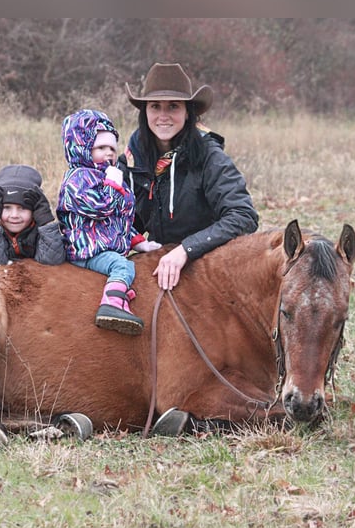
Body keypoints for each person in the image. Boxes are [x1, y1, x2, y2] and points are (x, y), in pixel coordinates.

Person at [121, 62, 259, 291]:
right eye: (155, 106)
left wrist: (186, 249)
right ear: (145, 112)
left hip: (207, 261)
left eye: (173, 106)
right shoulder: (133, 157)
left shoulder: (209, 156)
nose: (163, 116)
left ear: (187, 113)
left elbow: (243, 215)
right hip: (157, 261)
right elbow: (125, 217)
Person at [56, 109, 162, 335]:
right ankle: (111, 305)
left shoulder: (108, 177)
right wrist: (113, 186)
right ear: (82, 148)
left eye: (112, 148)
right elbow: (100, 209)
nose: (108, 154)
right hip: (88, 251)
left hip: (106, 247)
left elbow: (119, 219)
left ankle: (121, 293)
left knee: (135, 266)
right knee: (122, 266)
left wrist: (138, 242)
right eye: (100, 147)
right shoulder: (79, 178)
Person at [0, 164, 65, 265]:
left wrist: (45, 222)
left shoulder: (42, 232)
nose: (14, 215)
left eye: (23, 208)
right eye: (7, 207)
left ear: (34, 209)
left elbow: (52, 260)